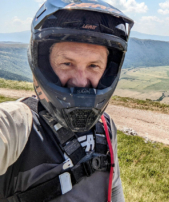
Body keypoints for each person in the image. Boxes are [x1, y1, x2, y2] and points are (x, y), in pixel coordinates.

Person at [0, 0, 134, 201]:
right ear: (44, 65)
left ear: (107, 71)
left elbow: (114, 189)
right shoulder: (16, 125)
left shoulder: (106, 128)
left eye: (93, 66)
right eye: (67, 63)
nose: (80, 81)